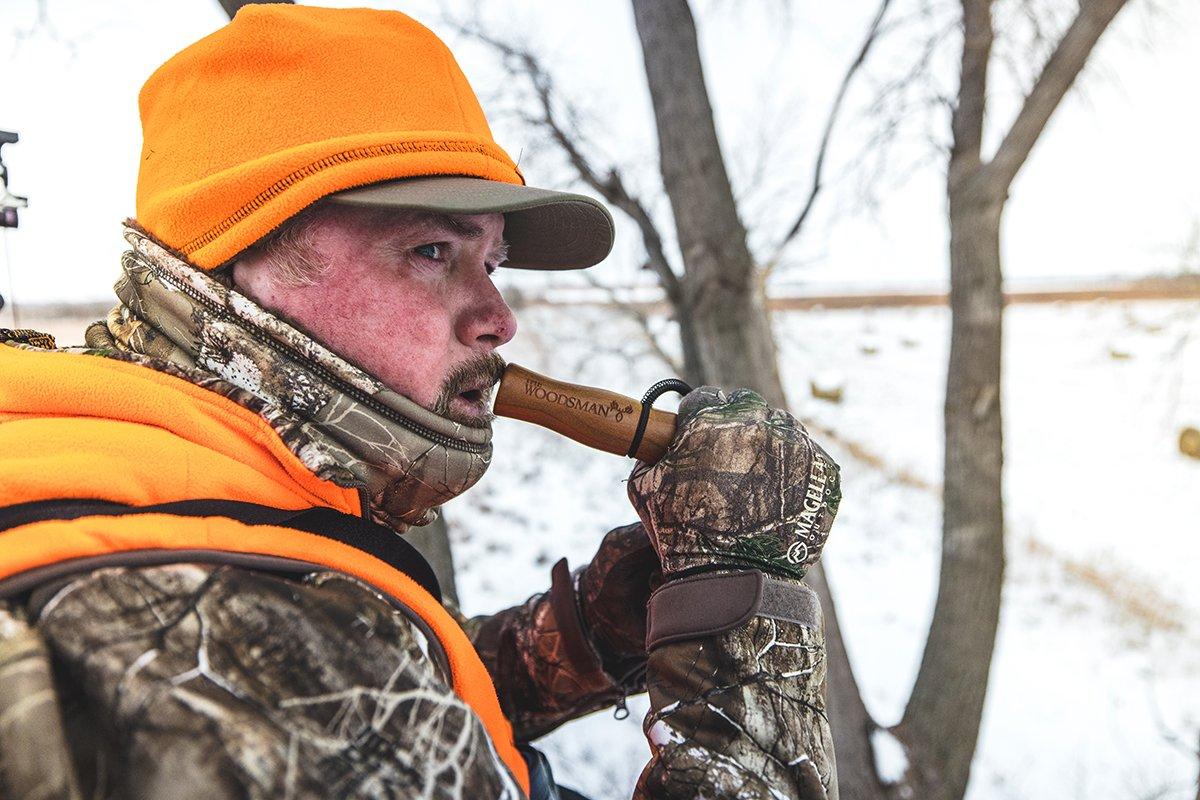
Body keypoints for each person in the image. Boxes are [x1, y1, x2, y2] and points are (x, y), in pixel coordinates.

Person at [0, 6, 842, 799]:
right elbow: (324, 692)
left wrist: (590, 629)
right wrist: (743, 605)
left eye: (492, 261)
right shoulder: (191, 620)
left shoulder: (138, 455)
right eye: (431, 249)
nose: (499, 318)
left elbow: (382, 700)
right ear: (237, 262)